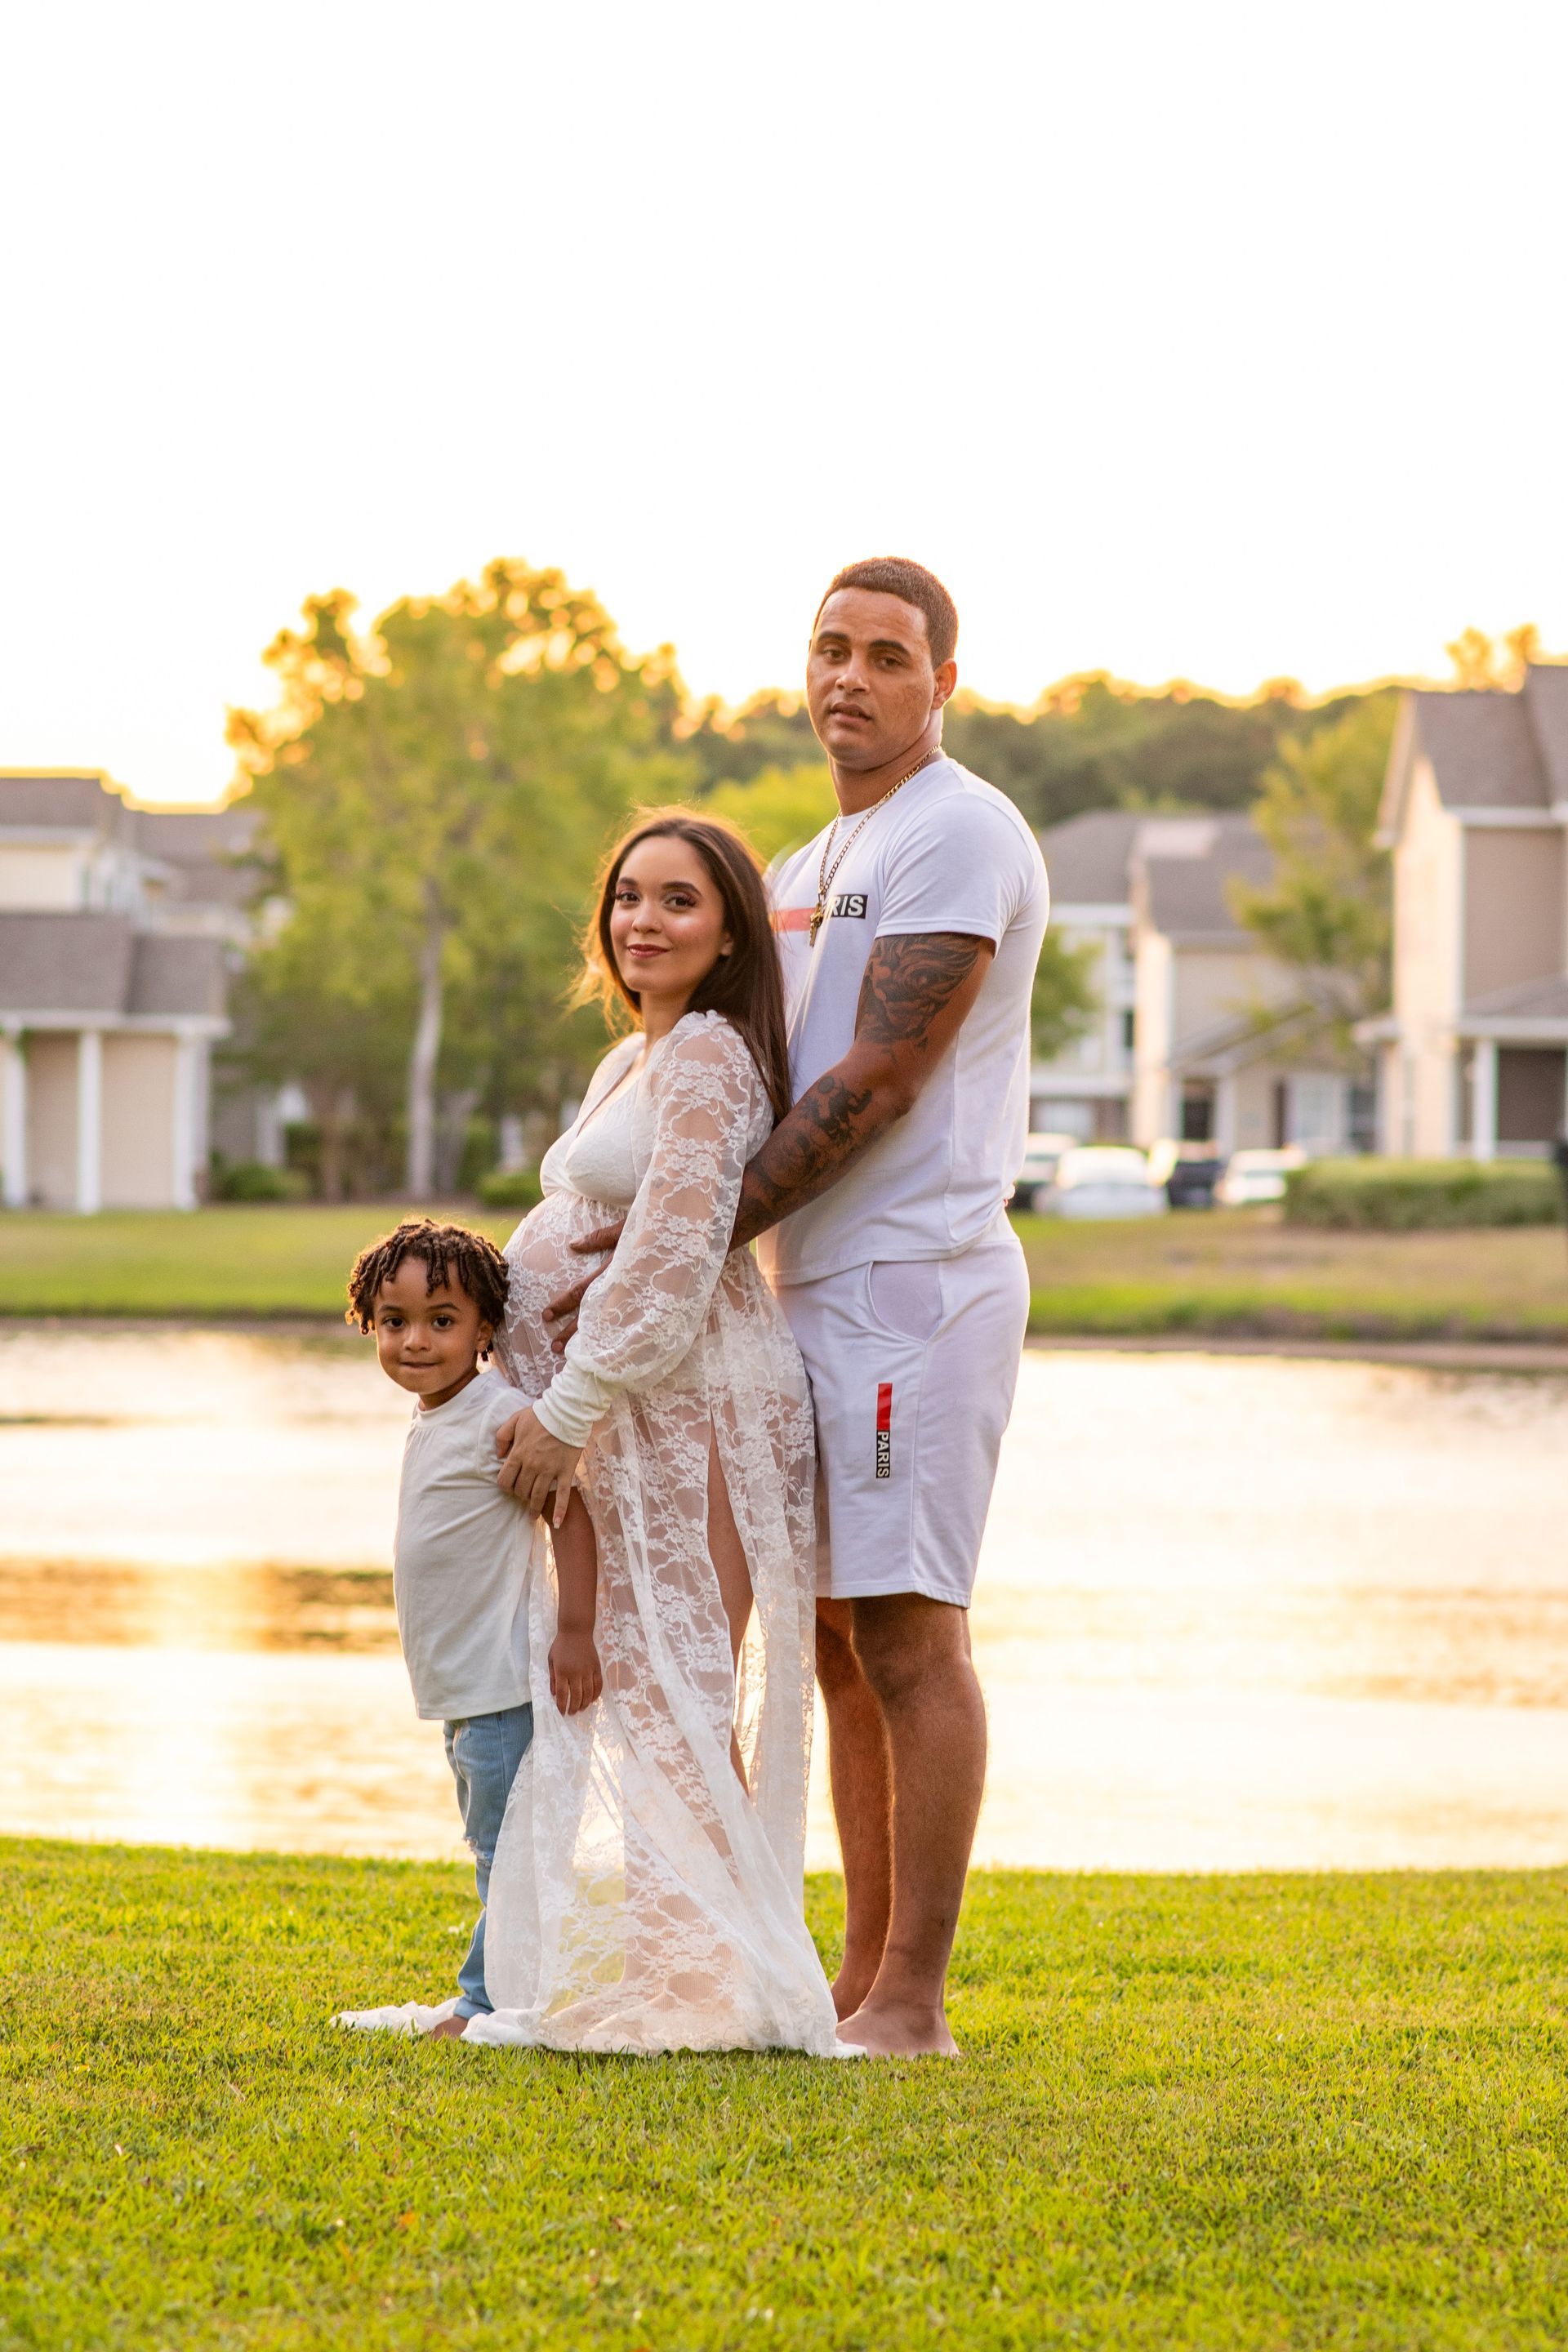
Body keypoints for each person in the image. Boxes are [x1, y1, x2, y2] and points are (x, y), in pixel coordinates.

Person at [546, 558, 1049, 2056]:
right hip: (805, 1290)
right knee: (835, 1641)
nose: (851, 678)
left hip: (915, 1288)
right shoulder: (821, 854)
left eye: (888, 656)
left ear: (940, 682)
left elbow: (879, 1080)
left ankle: (914, 1998)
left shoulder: (956, 832)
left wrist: (688, 1237)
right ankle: (850, 1979)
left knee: (909, 1632)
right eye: (830, 650)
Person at [477, 811, 842, 2056]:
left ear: (730, 927)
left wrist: (568, 1409)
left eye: (680, 900)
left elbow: (683, 1247)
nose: (645, 919)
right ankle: (669, 1971)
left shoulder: (710, 1057)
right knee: (642, 1685)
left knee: (679, 1685)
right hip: (636, 1414)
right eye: (629, 895)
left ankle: (708, 1990)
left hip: (700, 1407)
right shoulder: (630, 1061)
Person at [336, 1218, 550, 2040]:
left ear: (484, 1329)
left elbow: (571, 1512)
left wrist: (572, 1631)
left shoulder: (502, 1414)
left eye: (441, 1320)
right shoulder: (437, 1415)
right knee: (493, 1844)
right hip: (463, 1686)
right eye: (395, 1322)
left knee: (506, 1855)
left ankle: (483, 2006)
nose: (415, 1341)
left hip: (499, 1681)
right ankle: (502, 1993)